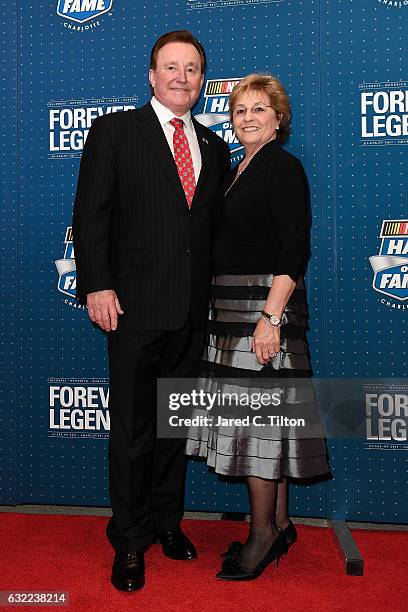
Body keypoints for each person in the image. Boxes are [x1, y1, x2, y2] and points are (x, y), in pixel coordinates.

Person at [72, 30, 230, 592]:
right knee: (134, 433)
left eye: (192, 68)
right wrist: (97, 286)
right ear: (151, 74)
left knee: (173, 429)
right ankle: (130, 540)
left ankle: (167, 524)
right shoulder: (115, 131)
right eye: (171, 66)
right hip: (133, 309)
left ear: (202, 79)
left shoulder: (213, 147)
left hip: (191, 314)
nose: (181, 77)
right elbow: (91, 217)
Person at [186, 73, 330, 580]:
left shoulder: (283, 168)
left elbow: (295, 248)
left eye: (259, 109)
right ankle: (282, 522)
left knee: (257, 429)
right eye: (240, 109)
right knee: (267, 428)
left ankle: (263, 533)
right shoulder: (234, 169)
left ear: (278, 119)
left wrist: (269, 319)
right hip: (229, 313)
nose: (248, 117)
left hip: (261, 313)